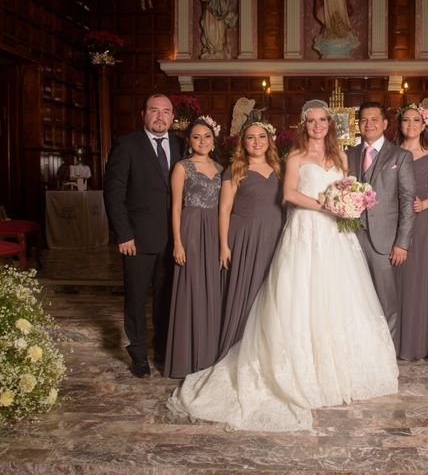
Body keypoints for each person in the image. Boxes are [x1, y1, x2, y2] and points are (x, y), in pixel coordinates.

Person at [168, 100, 398, 431]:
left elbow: (346, 189)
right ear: (303, 125)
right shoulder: (294, 158)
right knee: (300, 296)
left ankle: (341, 368)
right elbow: (288, 194)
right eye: (311, 120)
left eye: (322, 120)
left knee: (336, 298)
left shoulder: (340, 157)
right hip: (306, 230)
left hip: (336, 238)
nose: (317, 125)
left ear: (330, 124)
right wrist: (325, 205)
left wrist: (349, 203)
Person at [104, 94, 183, 378]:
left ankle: (162, 349)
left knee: (166, 299)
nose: (160, 117)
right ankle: (138, 353)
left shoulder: (180, 144)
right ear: (143, 114)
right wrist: (123, 234)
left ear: (173, 116)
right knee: (136, 299)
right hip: (136, 240)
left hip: (172, 240)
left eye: (165, 112)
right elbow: (114, 194)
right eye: (154, 111)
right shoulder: (126, 145)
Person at [346, 101, 416, 353]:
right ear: (358, 124)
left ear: (385, 124)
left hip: (385, 241)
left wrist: (402, 242)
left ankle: (387, 356)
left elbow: (407, 202)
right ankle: (360, 352)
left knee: (386, 300)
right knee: (355, 297)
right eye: (364, 120)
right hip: (351, 237)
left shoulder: (400, 156)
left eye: (375, 119)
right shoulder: (348, 154)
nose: (369, 124)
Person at [217, 121, 284, 361]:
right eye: (251, 137)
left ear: (269, 141)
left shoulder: (279, 168)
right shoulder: (234, 169)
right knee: (246, 291)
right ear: (242, 143)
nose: (257, 142)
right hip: (245, 237)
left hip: (275, 236)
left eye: (261, 137)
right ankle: (238, 347)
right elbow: (224, 209)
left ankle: (266, 350)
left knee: (271, 292)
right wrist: (224, 245)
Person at [163, 116, 224, 379]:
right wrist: (178, 242)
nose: (202, 141)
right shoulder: (182, 167)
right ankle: (187, 356)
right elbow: (175, 207)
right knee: (192, 288)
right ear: (189, 140)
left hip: (214, 228)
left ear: (214, 140)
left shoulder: (222, 168)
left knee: (213, 287)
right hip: (191, 227)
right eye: (197, 136)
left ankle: (209, 354)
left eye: (207, 136)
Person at [393, 104, 428, 361]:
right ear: (400, 124)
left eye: (416, 120)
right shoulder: (391, 154)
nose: (411, 125)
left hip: (422, 224)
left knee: (418, 283)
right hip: (394, 224)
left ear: (424, 125)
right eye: (406, 120)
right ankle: (395, 341)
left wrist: (424, 204)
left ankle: (418, 343)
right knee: (396, 282)